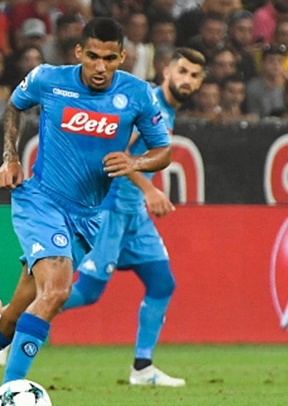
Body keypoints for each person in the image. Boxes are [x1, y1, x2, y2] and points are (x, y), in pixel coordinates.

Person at [0, 17, 172, 385]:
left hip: (88, 215)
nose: (100, 67)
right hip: (42, 200)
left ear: (121, 57)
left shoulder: (137, 94)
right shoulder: (48, 79)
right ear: (79, 52)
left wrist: (135, 163)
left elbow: (163, 150)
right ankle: (10, 391)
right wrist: (10, 157)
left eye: (109, 58)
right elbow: (14, 106)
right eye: (93, 56)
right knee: (57, 291)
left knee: (17, 309)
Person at [59, 47, 206, 387]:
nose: (187, 80)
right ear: (167, 71)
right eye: (182, 71)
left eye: (195, 76)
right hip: (110, 207)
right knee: (88, 292)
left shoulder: (167, 110)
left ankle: (142, 368)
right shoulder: (147, 103)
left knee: (162, 283)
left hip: (133, 213)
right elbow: (117, 152)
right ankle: (16, 320)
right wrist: (150, 189)